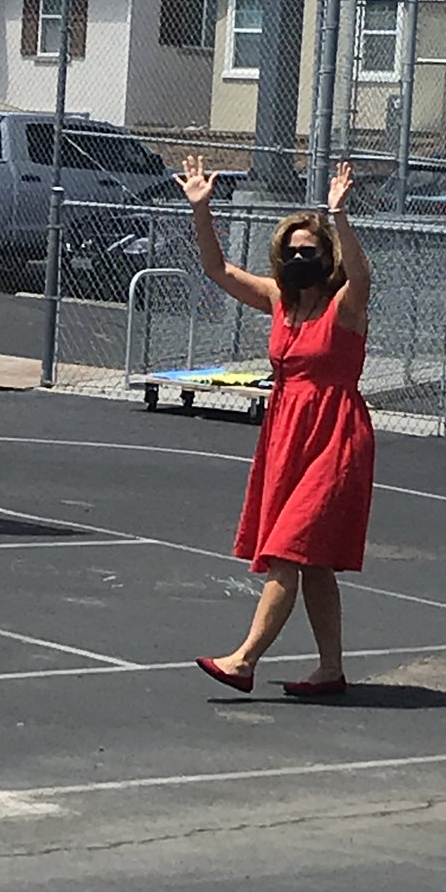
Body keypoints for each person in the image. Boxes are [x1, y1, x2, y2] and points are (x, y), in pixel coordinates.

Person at [175, 155, 375, 697]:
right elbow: (218, 270)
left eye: (310, 250)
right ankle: (330, 669)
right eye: (292, 251)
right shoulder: (278, 299)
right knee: (314, 563)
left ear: (326, 253)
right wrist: (202, 209)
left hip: (335, 437)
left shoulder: (345, 303)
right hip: (287, 434)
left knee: (288, 549)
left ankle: (243, 660)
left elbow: (362, 273)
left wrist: (341, 215)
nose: (300, 257)